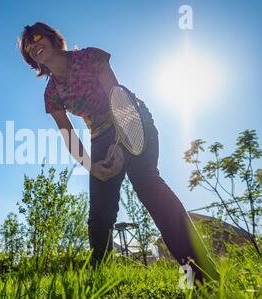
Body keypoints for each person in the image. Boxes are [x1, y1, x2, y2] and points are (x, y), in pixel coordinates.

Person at [18, 22, 218, 283]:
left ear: (54, 39)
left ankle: (202, 275)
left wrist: (124, 141)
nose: (33, 46)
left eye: (36, 37)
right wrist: (92, 166)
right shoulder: (51, 93)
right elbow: (68, 134)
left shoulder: (89, 56)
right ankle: (99, 281)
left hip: (131, 118)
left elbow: (117, 96)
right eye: (27, 47)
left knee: (148, 184)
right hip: (100, 136)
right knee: (100, 213)